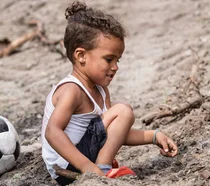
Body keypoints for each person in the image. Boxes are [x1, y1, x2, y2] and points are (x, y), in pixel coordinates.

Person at [40, 2, 179, 185]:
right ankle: (102, 169)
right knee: (123, 110)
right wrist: (88, 167)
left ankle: (101, 167)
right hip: (66, 166)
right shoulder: (71, 90)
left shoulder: (101, 90)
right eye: (109, 59)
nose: (115, 67)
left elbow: (115, 134)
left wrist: (153, 136)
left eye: (117, 60)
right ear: (81, 56)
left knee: (121, 113)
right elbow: (52, 132)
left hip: (80, 160)